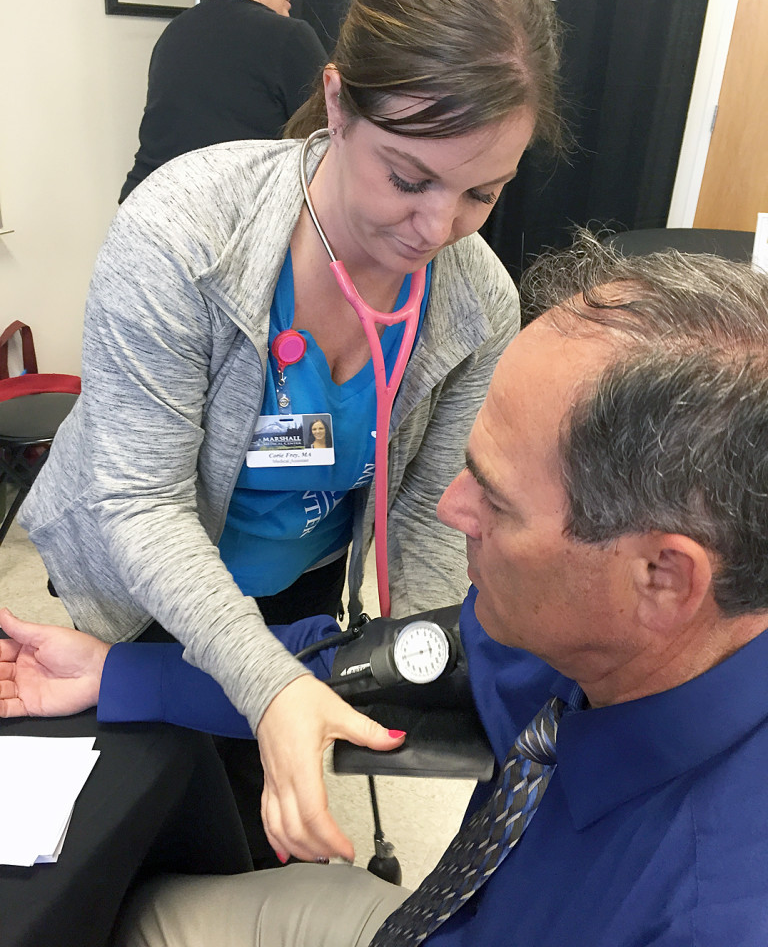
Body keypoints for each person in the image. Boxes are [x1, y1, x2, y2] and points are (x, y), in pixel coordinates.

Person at [6, 234, 768, 944]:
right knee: (124, 913)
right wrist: (117, 673)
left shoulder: (711, 908)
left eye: (496, 501)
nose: (449, 507)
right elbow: (366, 667)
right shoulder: (572, 635)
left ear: (664, 577)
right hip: (442, 918)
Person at [17, 0, 564, 867]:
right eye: (408, 176)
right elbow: (141, 504)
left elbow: (429, 521)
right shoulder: (183, 235)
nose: (437, 229)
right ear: (340, 102)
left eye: (483, 191)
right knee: (145, 808)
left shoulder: (477, 301)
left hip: (300, 580)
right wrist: (269, 687)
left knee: (253, 823)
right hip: (142, 571)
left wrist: (400, 663)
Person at [118, 0, 327, 203]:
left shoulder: (172, 35)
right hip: (221, 233)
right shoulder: (289, 37)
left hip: (141, 215)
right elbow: (330, 151)